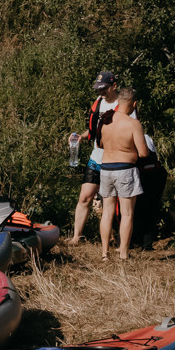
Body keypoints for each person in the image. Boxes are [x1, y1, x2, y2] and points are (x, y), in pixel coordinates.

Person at [95, 87, 151, 261]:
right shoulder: (133, 124)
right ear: (134, 104)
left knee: (107, 212)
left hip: (106, 169)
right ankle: (124, 254)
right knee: (127, 214)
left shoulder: (105, 121)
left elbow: (101, 144)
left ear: (118, 101)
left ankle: (105, 254)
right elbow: (143, 153)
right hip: (125, 169)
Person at [67, 71, 121, 248]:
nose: (101, 92)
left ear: (113, 86)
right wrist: (81, 137)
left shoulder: (124, 104)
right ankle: (77, 237)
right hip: (96, 157)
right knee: (85, 197)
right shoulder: (98, 103)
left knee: (111, 201)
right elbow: (92, 131)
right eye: (98, 89)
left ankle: (115, 240)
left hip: (115, 158)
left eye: (104, 89)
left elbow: (131, 130)